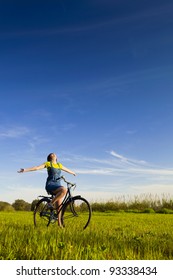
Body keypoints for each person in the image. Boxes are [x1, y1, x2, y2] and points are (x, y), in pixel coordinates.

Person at [17, 153, 76, 227]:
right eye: (51, 154)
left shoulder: (59, 165)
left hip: (58, 186)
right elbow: (37, 167)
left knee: (59, 207)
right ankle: (50, 203)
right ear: (49, 158)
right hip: (50, 185)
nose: (53, 154)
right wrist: (25, 170)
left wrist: (73, 172)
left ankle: (60, 225)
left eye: (54, 154)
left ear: (56, 157)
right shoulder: (48, 164)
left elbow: (66, 169)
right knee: (64, 190)